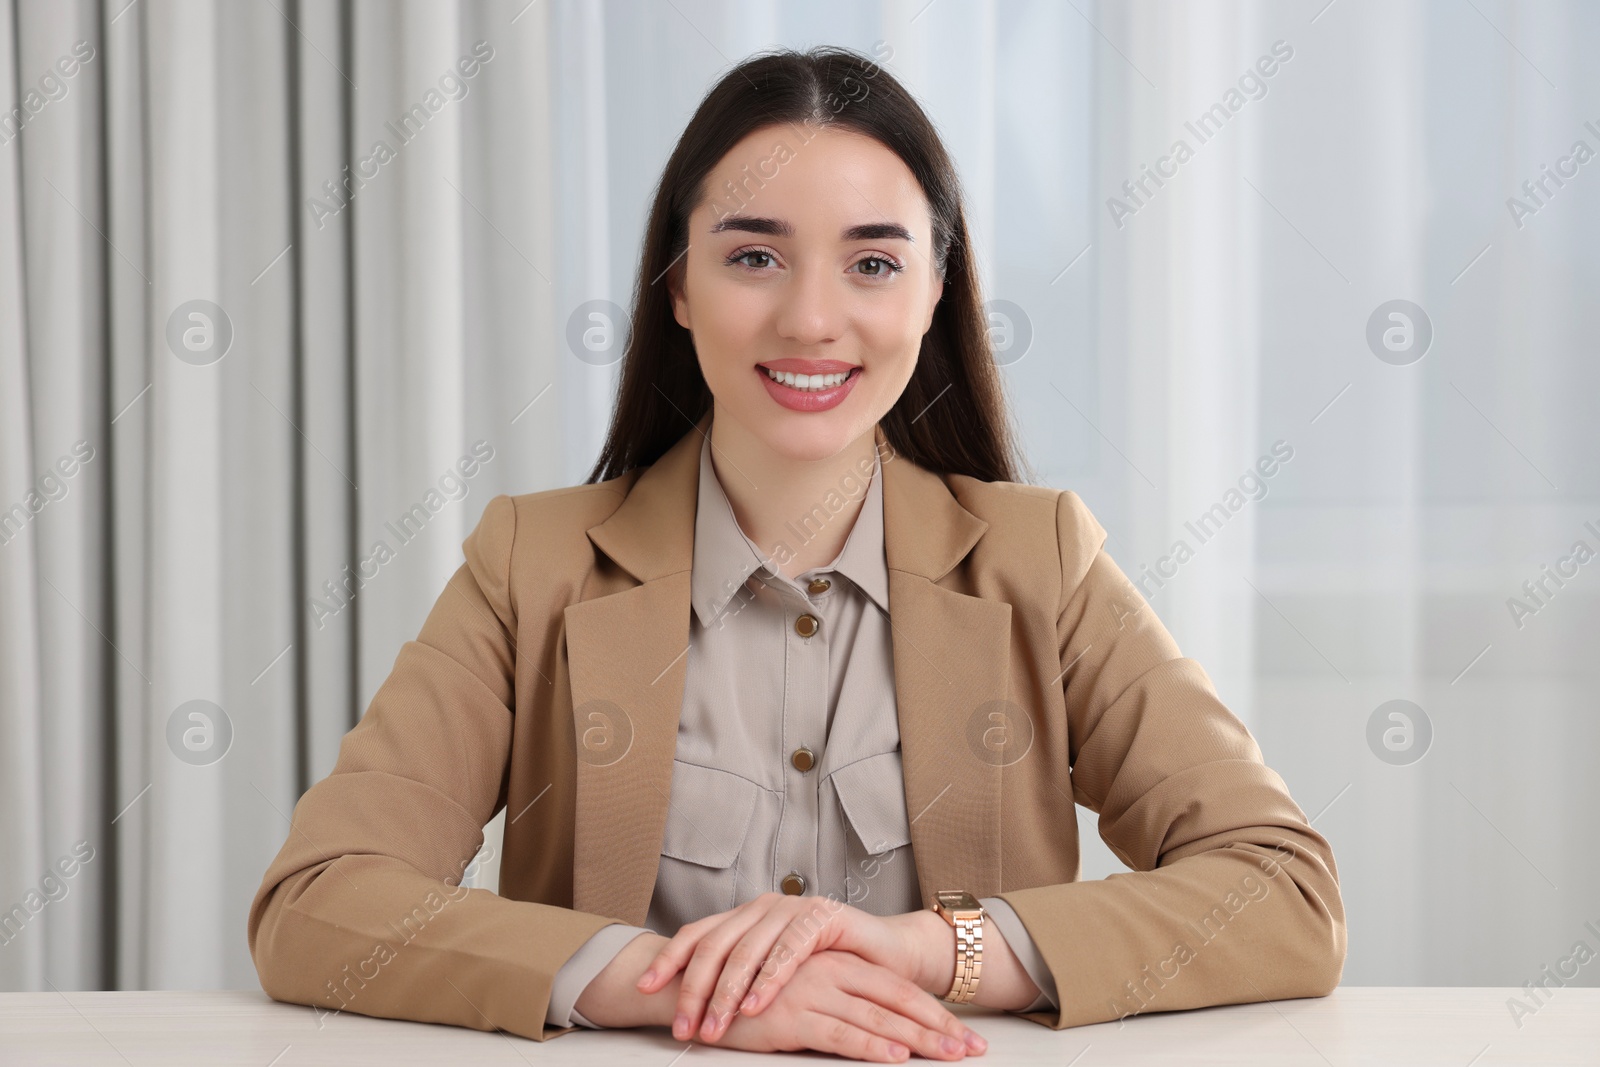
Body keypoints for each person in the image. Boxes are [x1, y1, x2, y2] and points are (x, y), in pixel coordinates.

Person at [248, 45, 1345, 1064]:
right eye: (755, 255)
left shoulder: (1040, 562)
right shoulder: (531, 562)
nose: (812, 318)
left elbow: (1283, 891)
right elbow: (317, 900)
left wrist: (927, 950)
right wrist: (680, 984)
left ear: (933, 292)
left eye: (873, 261)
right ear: (679, 286)